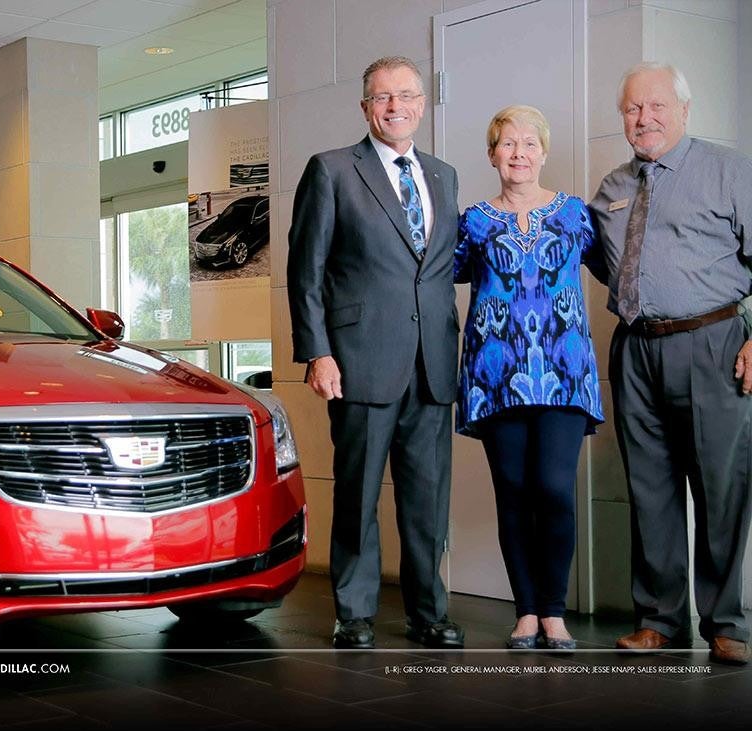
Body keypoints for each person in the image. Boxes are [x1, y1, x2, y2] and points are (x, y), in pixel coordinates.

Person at [287, 56, 463, 649]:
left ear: (422, 104)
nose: (396, 107)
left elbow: (436, 269)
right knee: (358, 491)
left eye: (406, 95)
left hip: (432, 362)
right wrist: (318, 352)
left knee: (428, 498)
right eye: (383, 97)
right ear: (366, 107)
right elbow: (306, 271)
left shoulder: (443, 175)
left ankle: (429, 612)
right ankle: (355, 612)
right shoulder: (333, 170)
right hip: (359, 359)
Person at [588, 62, 752, 665]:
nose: (644, 118)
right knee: (649, 487)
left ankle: (726, 624)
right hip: (634, 348)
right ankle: (659, 619)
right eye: (633, 108)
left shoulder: (729, 170)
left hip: (712, 344)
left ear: (683, 110)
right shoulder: (612, 185)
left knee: (721, 488)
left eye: (657, 106)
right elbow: (605, 261)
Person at [454, 105, 604, 651]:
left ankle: (554, 612)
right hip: (495, 375)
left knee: (555, 491)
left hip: (564, 372)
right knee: (514, 493)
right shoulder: (472, 221)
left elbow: (618, 268)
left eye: (529, 143)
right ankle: (526, 612)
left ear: (544, 152)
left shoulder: (575, 214)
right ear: (492, 154)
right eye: (508, 143)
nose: (519, 153)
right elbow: (436, 278)